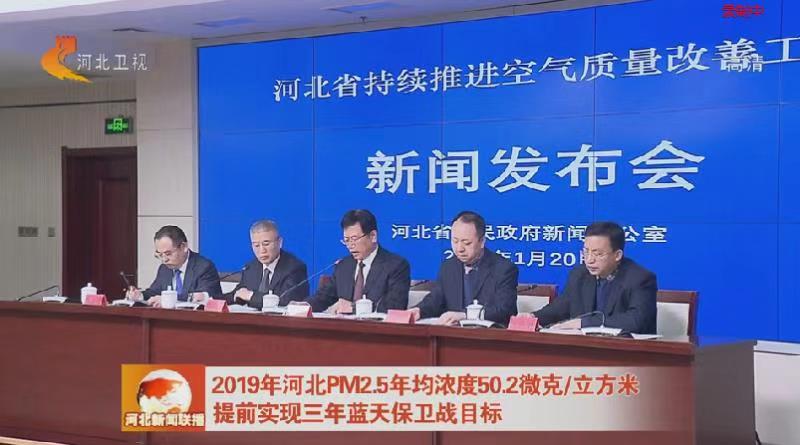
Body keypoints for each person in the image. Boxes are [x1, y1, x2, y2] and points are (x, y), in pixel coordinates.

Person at [534, 221, 657, 334]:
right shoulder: (580, 274)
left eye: (598, 254)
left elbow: (636, 320)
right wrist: (532, 318)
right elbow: (560, 308)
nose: (589, 260)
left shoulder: (640, 279)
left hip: (626, 348)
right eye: (586, 252)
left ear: (617, 255)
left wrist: (583, 323)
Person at [410, 211, 518, 326]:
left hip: (490, 334)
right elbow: (435, 300)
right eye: (455, 241)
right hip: (452, 334)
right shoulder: (448, 267)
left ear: (482, 241)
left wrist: (466, 316)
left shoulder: (503, 269)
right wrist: (419, 310)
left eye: (466, 243)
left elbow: (504, 309)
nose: (459, 248)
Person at [306, 209, 410, 314]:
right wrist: (302, 307)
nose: (350, 245)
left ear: (373, 236)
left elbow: (395, 306)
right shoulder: (344, 266)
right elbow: (322, 298)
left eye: (354, 239)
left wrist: (354, 307)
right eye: (347, 240)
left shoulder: (396, 266)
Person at [126, 225, 222, 306]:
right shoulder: (164, 268)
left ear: (183, 247)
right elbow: (155, 292)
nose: (164, 260)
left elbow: (202, 298)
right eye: (160, 255)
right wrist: (140, 295)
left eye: (168, 254)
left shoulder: (204, 267)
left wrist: (167, 299)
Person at [223, 220, 308, 307]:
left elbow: (287, 301)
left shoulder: (295, 268)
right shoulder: (251, 267)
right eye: (256, 245)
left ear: (280, 242)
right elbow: (239, 293)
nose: (262, 250)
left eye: (266, 244)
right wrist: (216, 301)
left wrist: (251, 296)